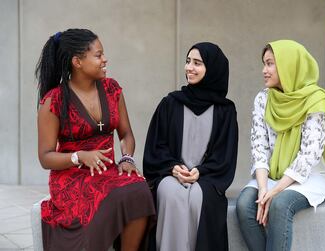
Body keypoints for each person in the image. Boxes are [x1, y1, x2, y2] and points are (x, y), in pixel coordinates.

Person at [36, 28, 155, 251]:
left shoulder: (112, 89)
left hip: (107, 171)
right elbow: (45, 157)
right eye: (98, 55)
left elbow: (126, 134)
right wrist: (78, 156)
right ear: (77, 62)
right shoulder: (53, 101)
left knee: (139, 189)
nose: (105, 59)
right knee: (104, 199)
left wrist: (127, 158)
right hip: (72, 178)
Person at [236, 40, 325, 251]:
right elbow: (259, 147)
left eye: (270, 64)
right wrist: (264, 188)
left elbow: (309, 155)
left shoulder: (315, 101)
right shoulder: (263, 99)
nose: (264, 70)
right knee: (244, 205)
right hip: (273, 174)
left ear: (288, 65)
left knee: (281, 204)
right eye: (264, 64)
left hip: (308, 177)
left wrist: (274, 193)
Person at [143, 42, 238, 251]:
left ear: (212, 69)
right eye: (187, 61)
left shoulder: (225, 111)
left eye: (197, 63)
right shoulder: (170, 104)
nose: (189, 68)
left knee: (198, 197)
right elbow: (155, 148)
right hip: (171, 174)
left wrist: (201, 172)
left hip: (207, 177)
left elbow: (225, 156)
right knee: (169, 192)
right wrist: (173, 167)